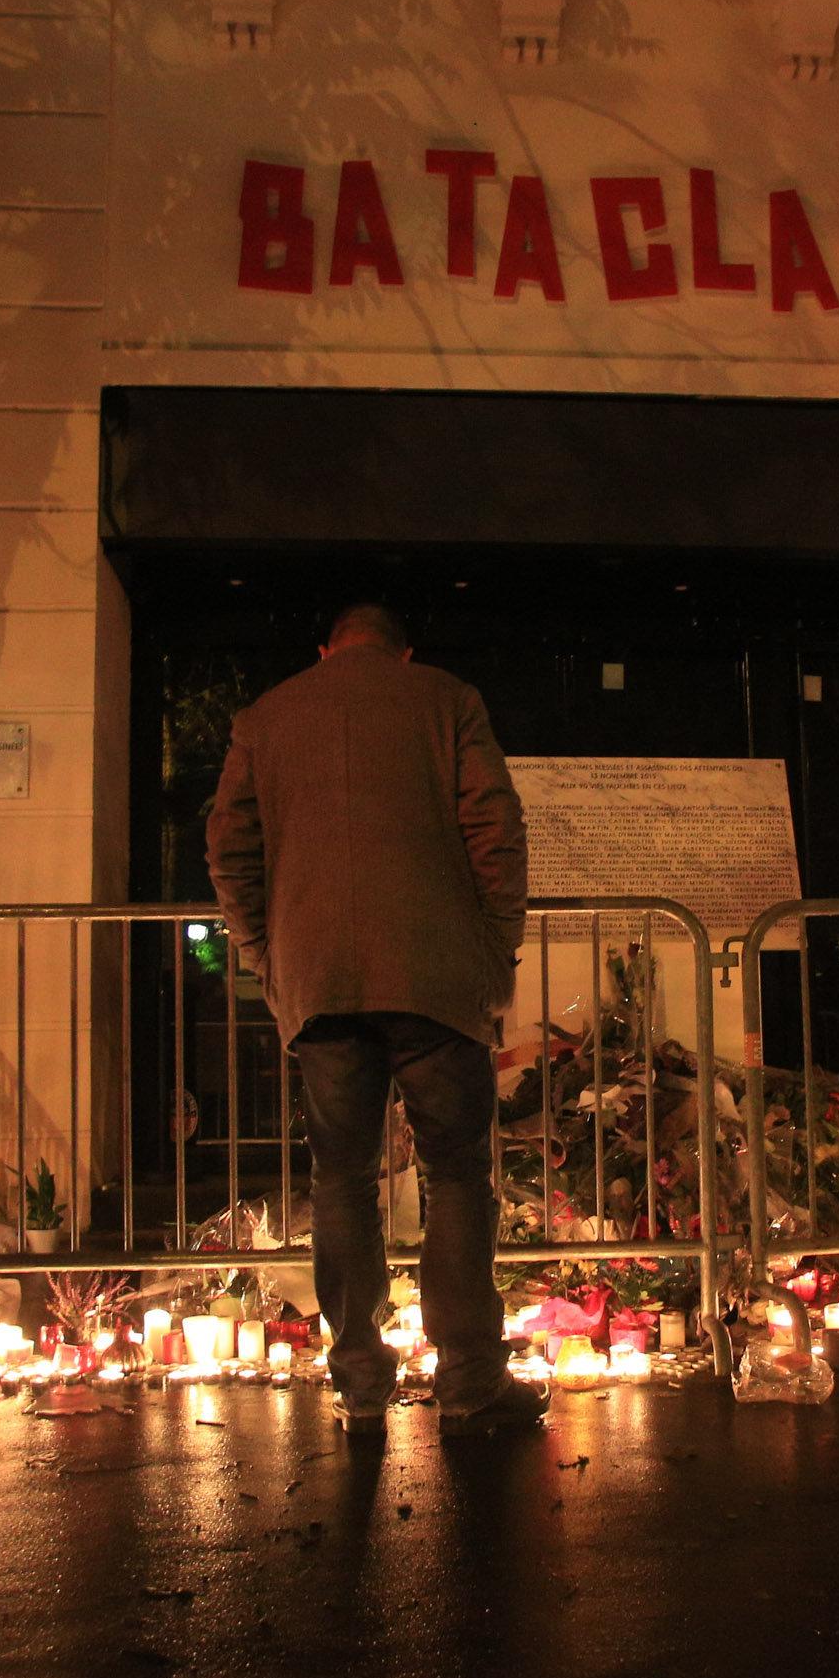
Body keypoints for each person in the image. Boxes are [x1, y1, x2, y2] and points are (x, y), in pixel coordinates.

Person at [206, 604, 541, 1437]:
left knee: (341, 1179)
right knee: (456, 1174)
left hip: (319, 982)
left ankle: (359, 1383)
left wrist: (267, 956)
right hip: (436, 978)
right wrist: (494, 951)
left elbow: (229, 849)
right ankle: (469, 1381)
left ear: (325, 651)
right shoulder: (447, 700)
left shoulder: (266, 717)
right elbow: (495, 832)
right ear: (404, 652)